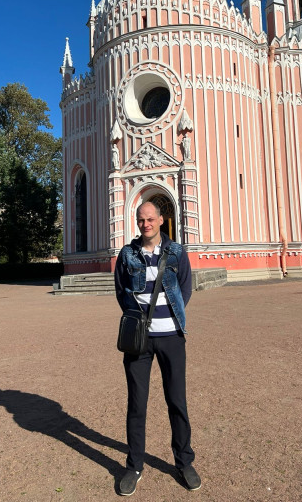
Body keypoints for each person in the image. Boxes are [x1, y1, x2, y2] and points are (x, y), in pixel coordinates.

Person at [114, 201, 201, 496]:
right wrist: (138, 321)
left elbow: (185, 287)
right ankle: (134, 465)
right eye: (141, 220)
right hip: (139, 341)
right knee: (137, 404)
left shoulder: (176, 252)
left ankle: (184, 461)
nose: (146, 224)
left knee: (177, 401)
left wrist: (172, 315)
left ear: (161, 220)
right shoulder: (127, 254)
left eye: (150, 219)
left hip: (172, 338)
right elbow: (121, 290)